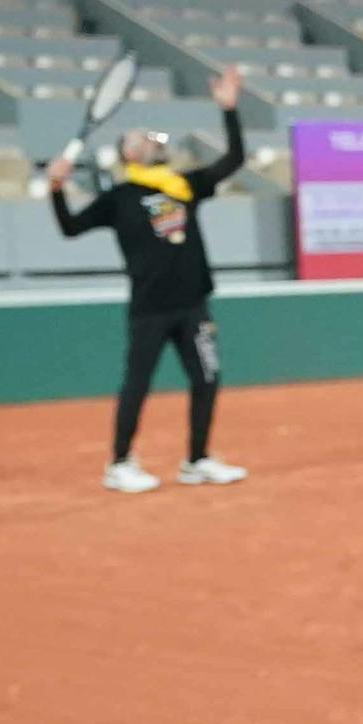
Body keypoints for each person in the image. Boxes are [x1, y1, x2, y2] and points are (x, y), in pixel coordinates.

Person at [52, 65, 249, 493]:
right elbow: (69, 228)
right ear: (127, 155)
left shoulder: (183, 186)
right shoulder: (118, 200)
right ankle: (119, 463)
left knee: (207, 378)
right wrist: (55, 190)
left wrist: (229, 110)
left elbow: (234, 159)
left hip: (193, 303)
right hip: (150, 308)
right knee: (137, 384)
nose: (150, 141)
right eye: (140, 138)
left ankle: (196, 460)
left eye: (152, 138)